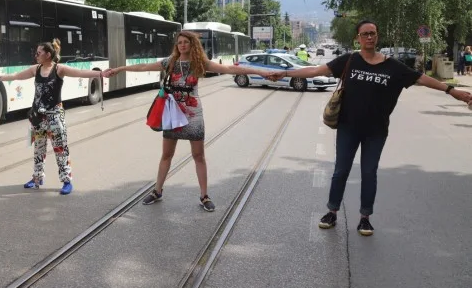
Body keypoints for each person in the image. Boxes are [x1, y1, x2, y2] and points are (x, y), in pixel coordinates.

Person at [268, 20, 472, 236]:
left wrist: (451, 90)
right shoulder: (350, 60)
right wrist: (286, 74)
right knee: (341, 171)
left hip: (376, 131)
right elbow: (316, 70)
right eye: (365, 34)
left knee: (369, 173)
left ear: (377, 36)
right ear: (358, 38)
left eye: (372, 33)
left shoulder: (393, 66)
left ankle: (365, 218)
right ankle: (332, 212)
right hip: (348, 127)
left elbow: (422, 79)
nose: (369, 37)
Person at [104, 31, 270, 211]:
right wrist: (119, 69)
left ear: (192, 45)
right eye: (179, 42)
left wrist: (260, 71)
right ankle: (157, 190)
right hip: (172, 113)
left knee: (199, 156)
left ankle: (204, 196)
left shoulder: (200, 63)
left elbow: (230, 69)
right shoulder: (170, 62)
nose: (182, 45)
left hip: (193, 114)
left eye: (185, 42)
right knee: (167, 155)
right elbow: (144, 67)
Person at [0, 39, 105, 195]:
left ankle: (67, 180)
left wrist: (100, 73)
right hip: (38, 117)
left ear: (48, 54)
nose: (36, 55)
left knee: (60, 148)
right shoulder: (36, 69)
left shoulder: (59, 69)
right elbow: (17, 76)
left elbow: (80, 72)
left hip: (55, 116)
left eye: (39, 53)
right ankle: (37, 178)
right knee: (39, 148)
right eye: (36, 53)